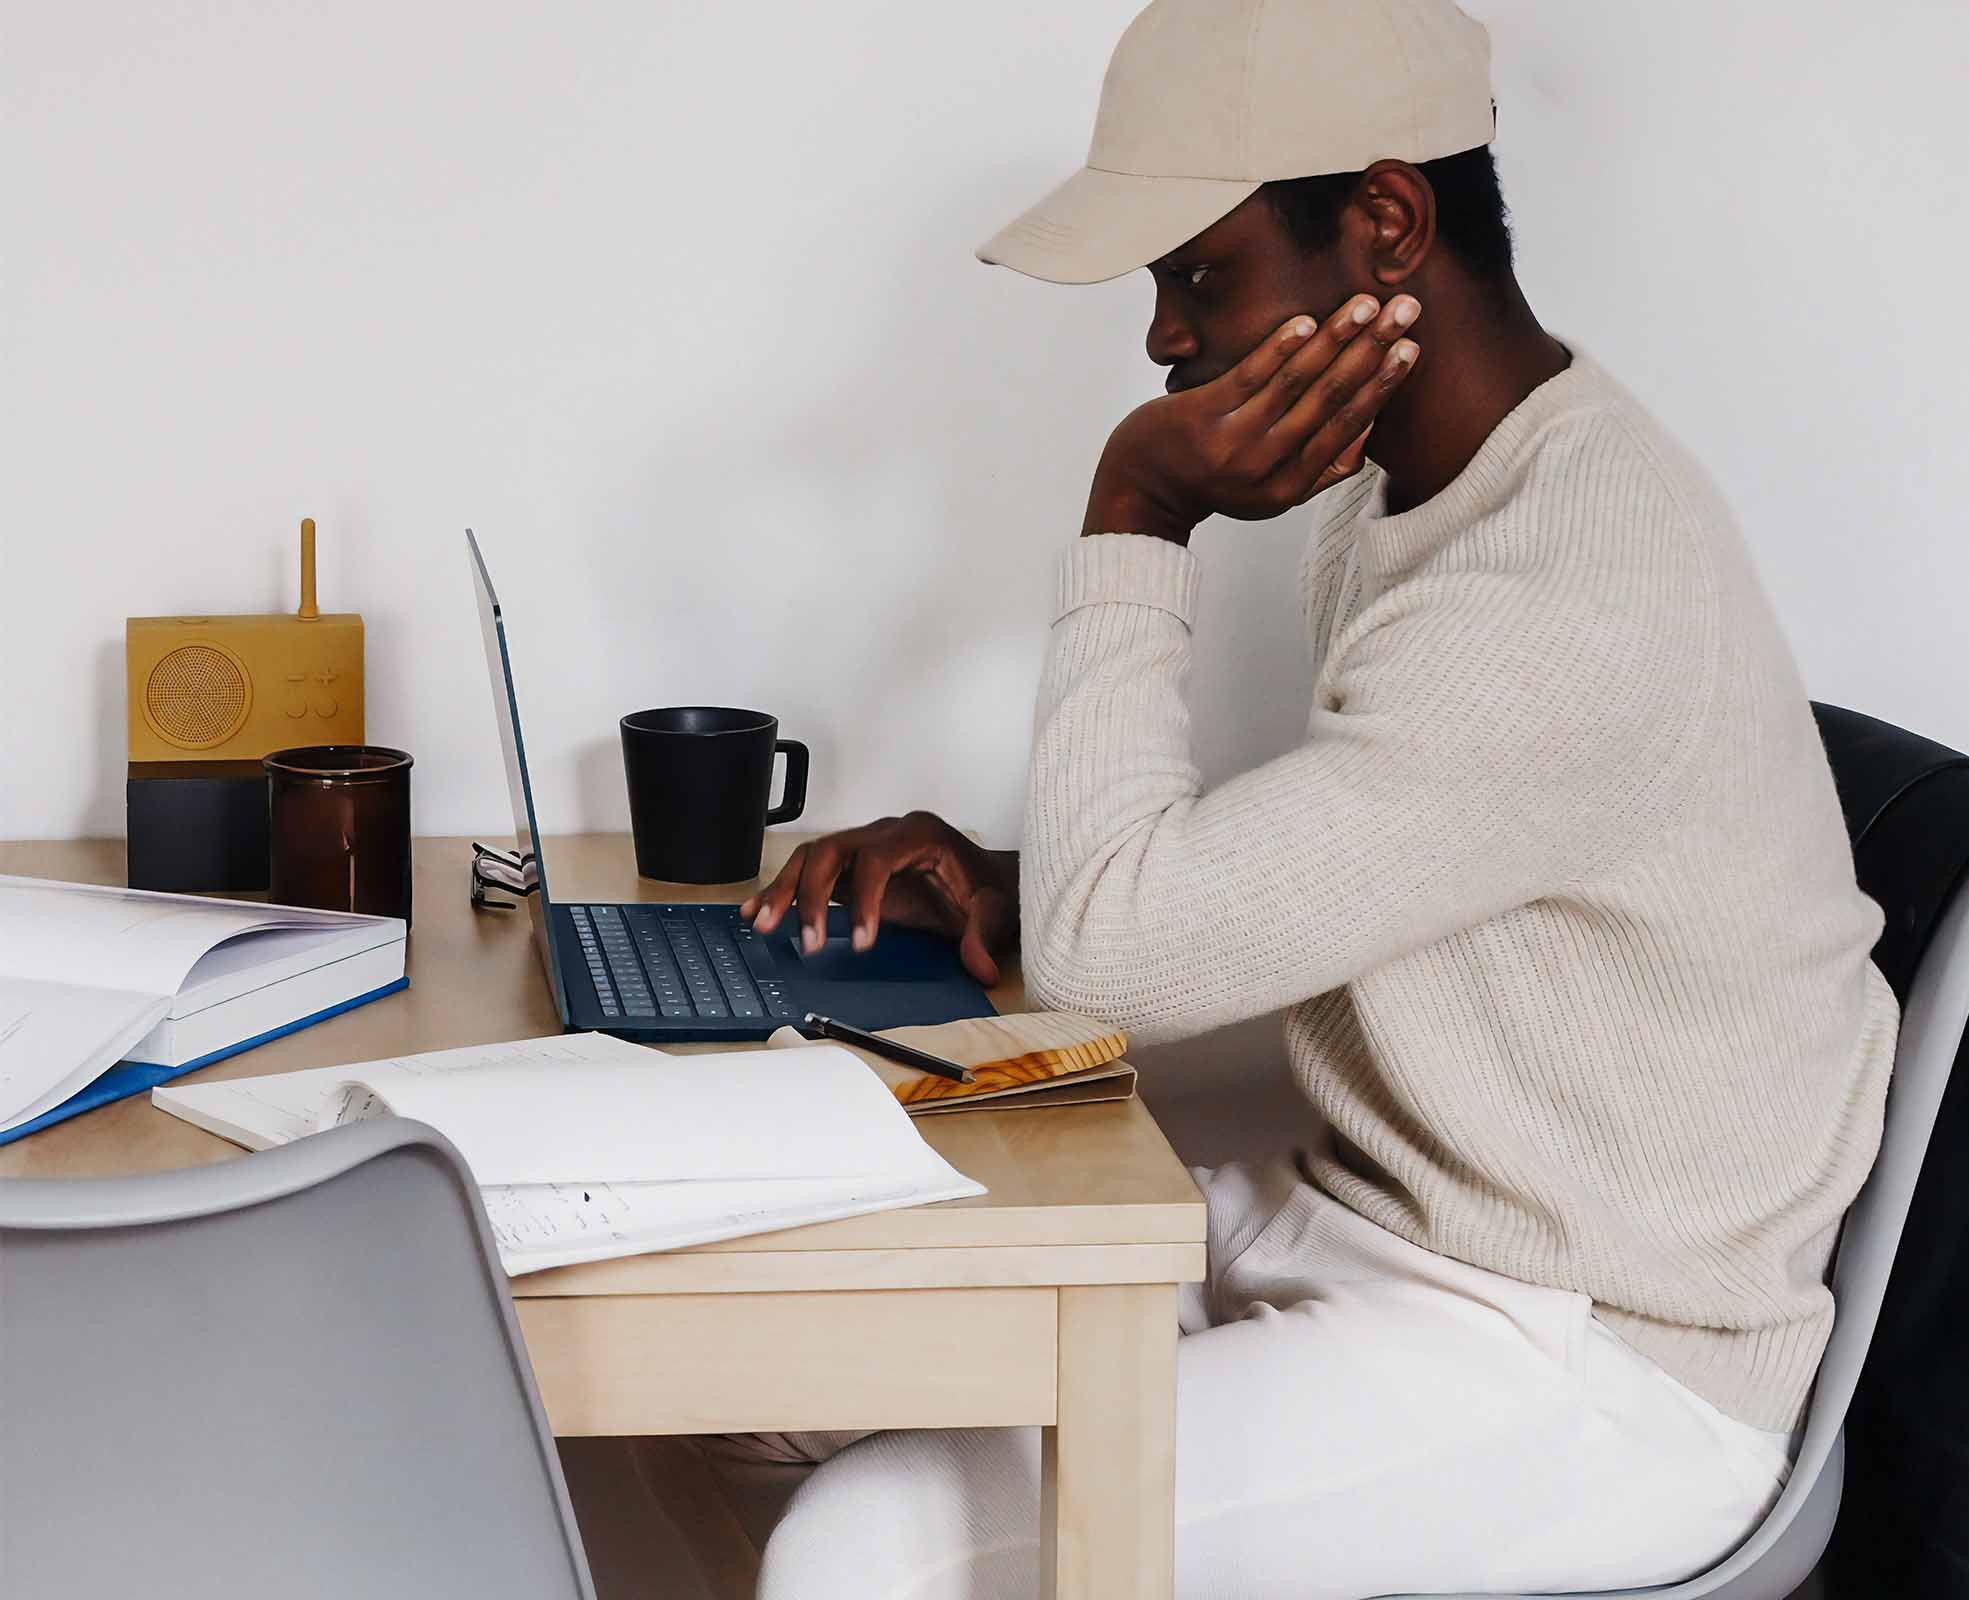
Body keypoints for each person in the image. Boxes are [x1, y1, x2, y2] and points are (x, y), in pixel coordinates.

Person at [695, 2, 1899, 1594]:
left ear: (1385, 222)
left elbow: (1122, 966)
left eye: (1198, 275)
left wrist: (1136, 515)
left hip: (1594, 1354)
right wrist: (1015, 878)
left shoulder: (1571, 582)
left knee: (868, 1546)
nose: (1163, 342)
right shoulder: (1425, 493)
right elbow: (1372, 860)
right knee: (758, 1372)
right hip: (1378, 1206)